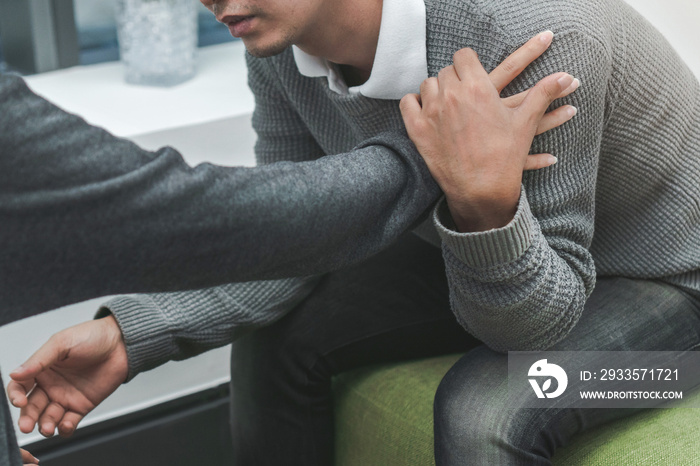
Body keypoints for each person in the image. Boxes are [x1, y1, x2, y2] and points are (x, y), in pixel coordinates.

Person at [13, 0, 700, 463]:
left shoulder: (536, 32)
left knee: (485, 411)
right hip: (504, 257)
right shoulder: (278, 48)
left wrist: (485, 208)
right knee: (276, 338)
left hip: (672, 289)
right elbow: (290, 240)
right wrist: (137, 332)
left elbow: (532, 326)